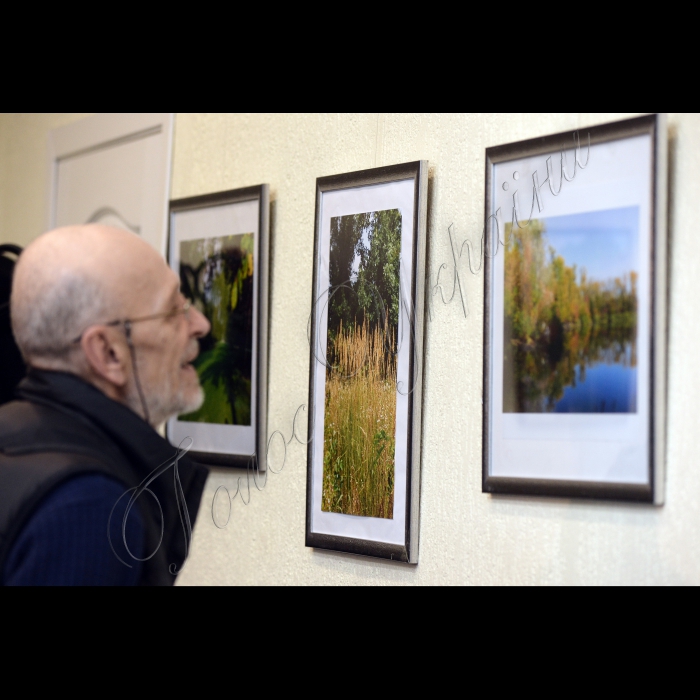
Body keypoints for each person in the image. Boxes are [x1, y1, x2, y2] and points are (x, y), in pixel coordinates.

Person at [0, 225, 212, 585]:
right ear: (108, 352)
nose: (200, 324)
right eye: (173, 310)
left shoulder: (13, 432)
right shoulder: (88, 506)